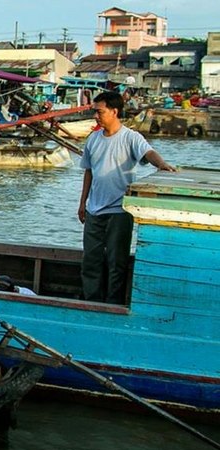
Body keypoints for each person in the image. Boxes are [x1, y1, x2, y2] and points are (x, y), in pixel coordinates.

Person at [77, 90, 176, 304]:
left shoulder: (130, 137)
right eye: (95, 111)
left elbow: (148, 153)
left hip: (120, 210)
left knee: (116, 262)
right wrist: (82, 203)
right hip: (94, 209)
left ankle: (113, 303)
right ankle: (91, 301)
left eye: (100, 112)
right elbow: (88, 171)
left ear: (114, 112)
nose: (96, 116)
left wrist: (162, 165)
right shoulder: (93, 139)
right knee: (91, 261)